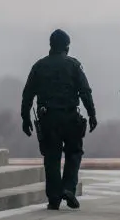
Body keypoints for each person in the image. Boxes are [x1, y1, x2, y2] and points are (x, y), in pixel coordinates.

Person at [21, 29, 98, 210]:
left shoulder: (39, 66)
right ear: (67, 46)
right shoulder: (73, 65)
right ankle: (68, 188)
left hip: (48, 118)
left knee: (51, 158)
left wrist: (25, 118)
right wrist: (92, 114)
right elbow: (85, 92)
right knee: (74, 153)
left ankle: (54, 198)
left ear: (51, 45)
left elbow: (28, 94)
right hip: (70, 116)